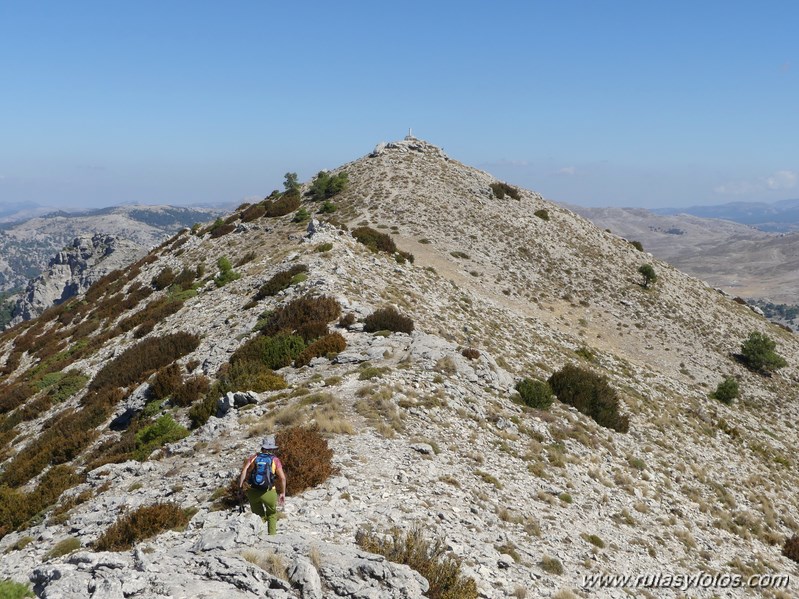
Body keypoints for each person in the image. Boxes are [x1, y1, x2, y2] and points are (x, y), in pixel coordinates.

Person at [238, 435, 286, 535]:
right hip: (269, 492)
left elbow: (244, 471)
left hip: (253, 492)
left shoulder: (254, 457)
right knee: (272, 514)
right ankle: (271, 537)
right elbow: (282, 478)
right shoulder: (275, 460)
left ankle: (258, 538)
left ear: (263, 447)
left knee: (258, 516)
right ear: (272, 448)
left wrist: (240, 488)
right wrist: (282, 493)